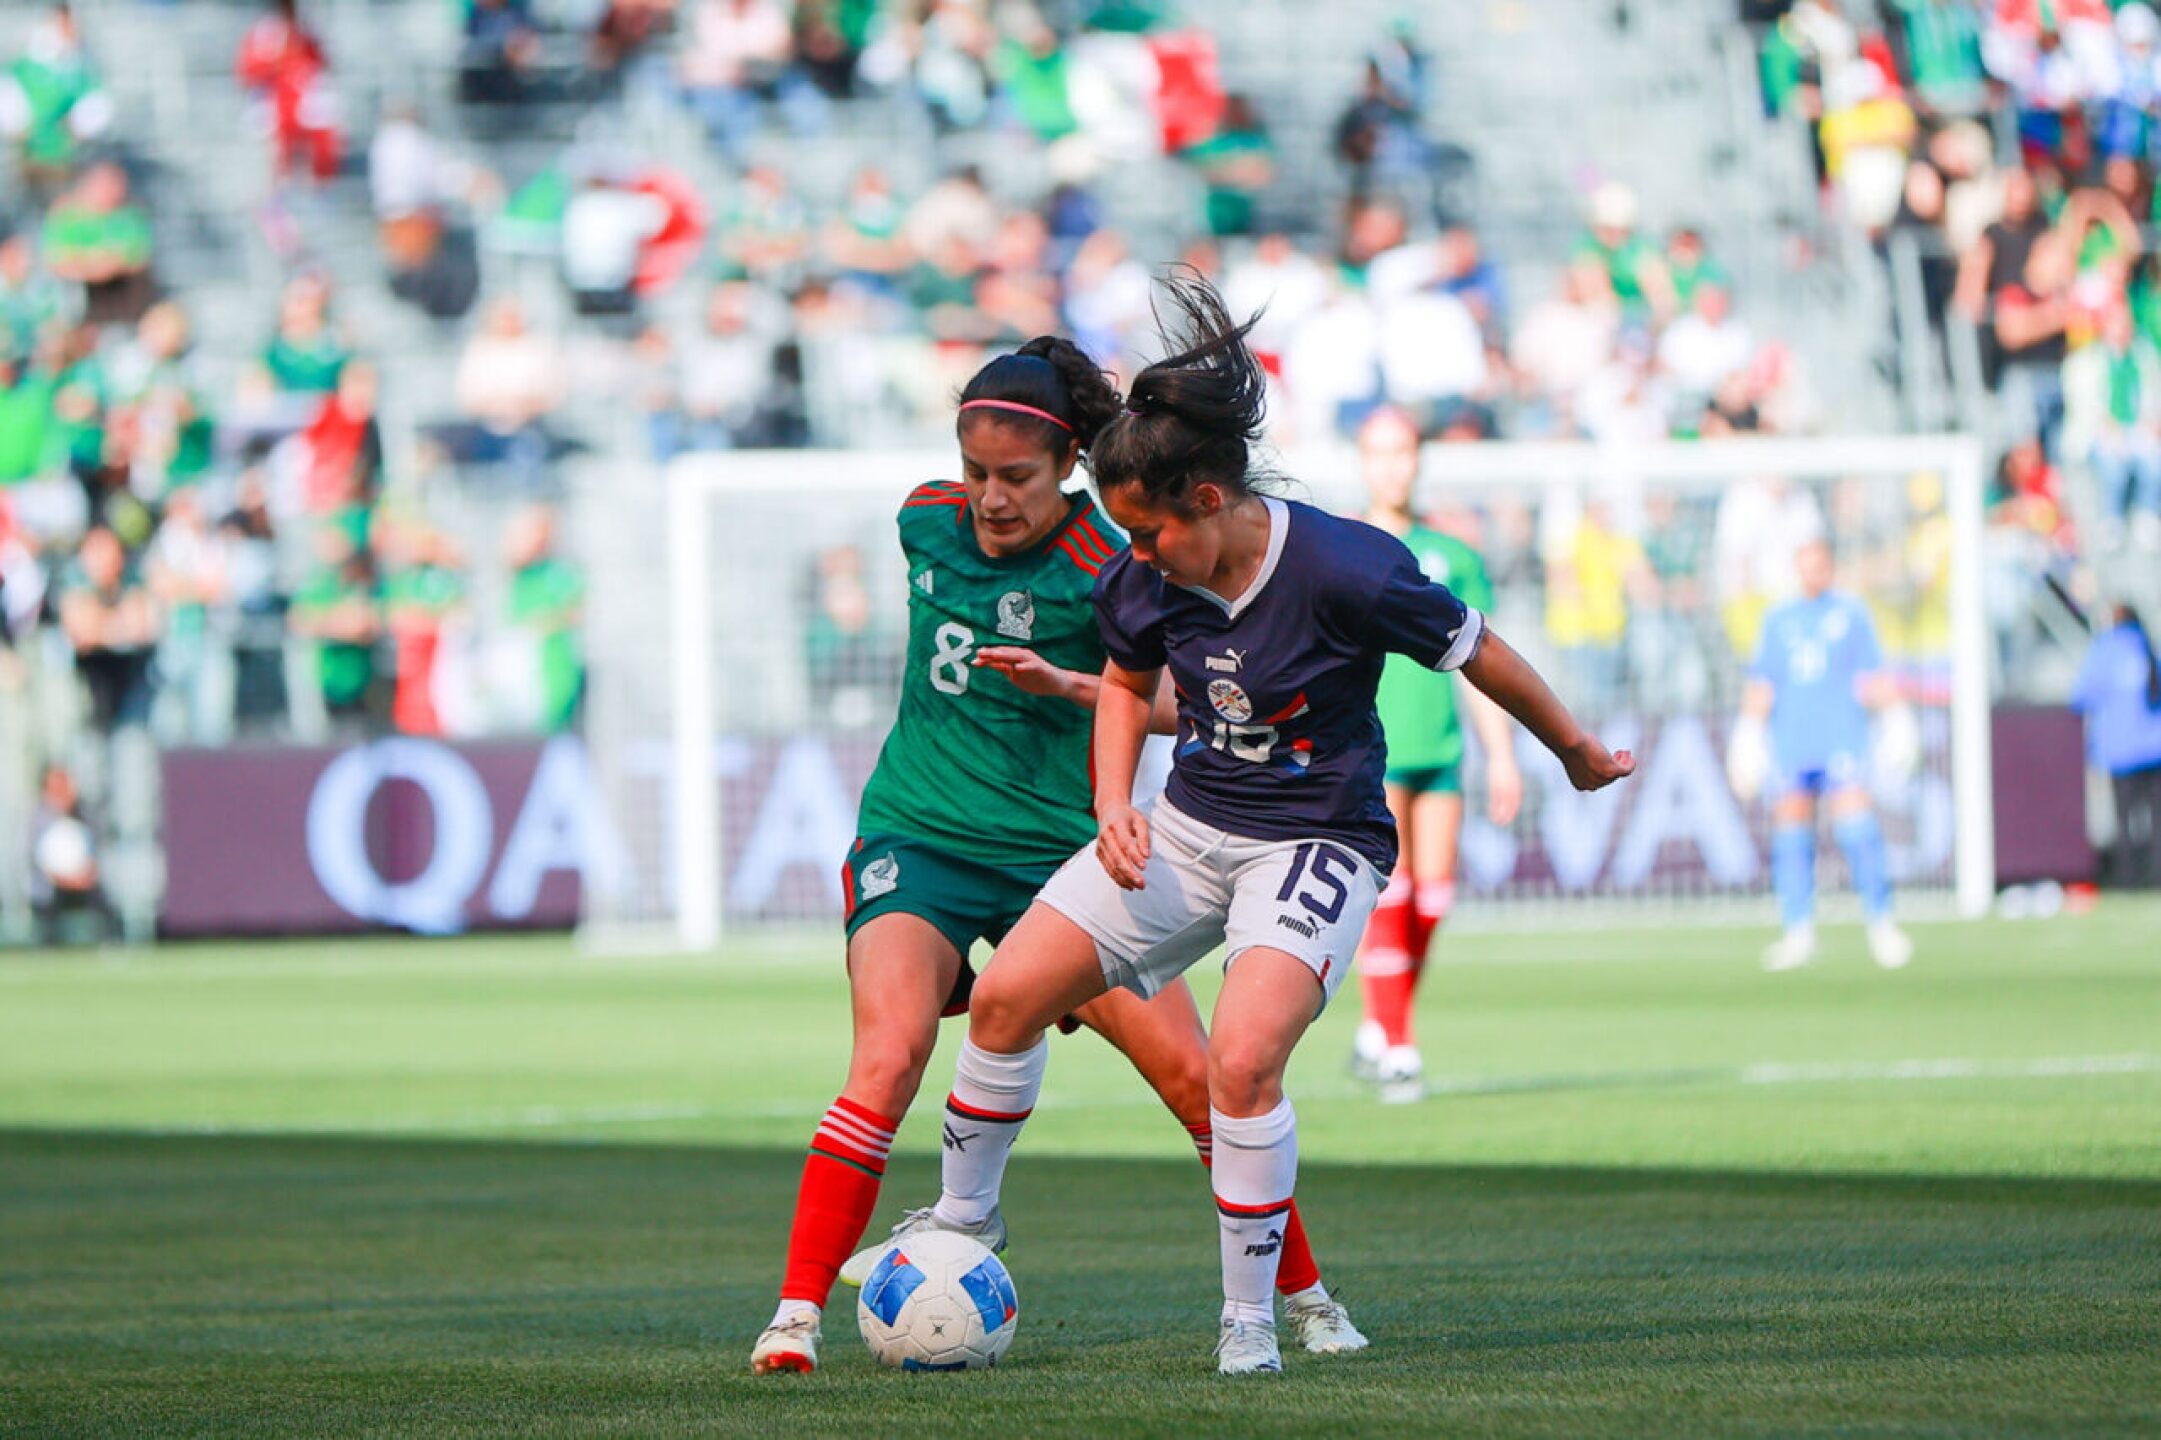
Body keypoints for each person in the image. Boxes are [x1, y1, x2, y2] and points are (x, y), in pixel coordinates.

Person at [873, 275, 1632, 1376]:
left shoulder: (1347, 566)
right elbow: (1128, 686)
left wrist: (1570, 749)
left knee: (1237, 1059)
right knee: (1002, 997)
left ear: (1214, 497)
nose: (1135, 554)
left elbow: (1482, 650)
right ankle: (966, 1219)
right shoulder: (1143, 576)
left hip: (1315, 840)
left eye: (1152, 530)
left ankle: (1249, 1321)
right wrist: (1111, 806)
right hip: (1187, 825)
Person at [750, 333, 1368, 1376]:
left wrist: (1073, 686)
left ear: (1072, 464)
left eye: (1016, 479)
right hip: (924, 835)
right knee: (889, 1056)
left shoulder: (1119, 565)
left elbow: (1187, 704)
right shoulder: (922, 521)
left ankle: (1303, 1297)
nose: (990, 499)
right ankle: (795, 1319)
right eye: (975, 473)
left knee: (1196, 1074)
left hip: (1065, 854)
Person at [1346, 409, 1522, 1102]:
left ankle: (1378, 1022)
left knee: (1434, 899)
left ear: (1419, 460)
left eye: (1404, 452)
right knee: (1392, 892)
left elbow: (1480, 662)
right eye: (1379, 452)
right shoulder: (1346, 546)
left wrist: (1500, 754)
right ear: (1362, 462)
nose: (1393, 465)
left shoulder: (1455, 555)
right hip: (1372, 747)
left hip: (1440, 748)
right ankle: (1396, 1040)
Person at [1726, 537, 1917, 971]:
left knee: (1857, 830)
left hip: (1841, 736)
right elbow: (1763, 684)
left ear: (1830, 567)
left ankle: (1881, 925)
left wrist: (1897, 719)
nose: (1813, 573)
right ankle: (1798, 932)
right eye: (1805, 566)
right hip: (1793, 740)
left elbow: (1873, 675)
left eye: (1820, 565)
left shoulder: (1851, 614)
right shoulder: (1778, 618)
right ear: (1797, 569)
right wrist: (1748, 734)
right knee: (1791, 836)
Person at [2070, 604, 2161, 886]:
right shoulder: (2148, 648)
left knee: (2125, 821)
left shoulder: (2104, 650)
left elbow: (2080, 696)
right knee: (2156, 819)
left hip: (2121, 752)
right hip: (2154, 750)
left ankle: (2129, 879)